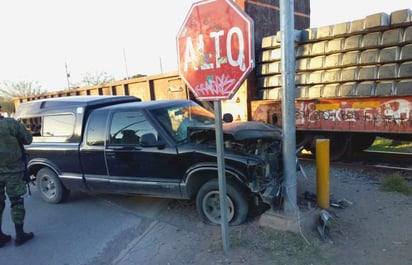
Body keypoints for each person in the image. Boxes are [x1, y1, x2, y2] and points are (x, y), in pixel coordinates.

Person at [0, 104, 34, 247]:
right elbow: (28, 139)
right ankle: (20, 235)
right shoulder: (11, 124)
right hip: (13, 172)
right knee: (17, 202)